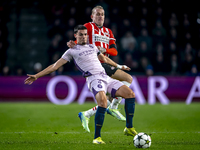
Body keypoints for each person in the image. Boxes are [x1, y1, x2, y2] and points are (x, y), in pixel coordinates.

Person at [24, 25, 137, 144]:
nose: (83, 37)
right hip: (94, 79)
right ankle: (97, 138)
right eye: (81, 35)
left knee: (130, 94)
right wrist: (37, 75)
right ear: (75, 36)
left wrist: (119, 66)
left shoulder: (92, 46)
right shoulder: (71, 51)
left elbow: (104, 59)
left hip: (105, 76)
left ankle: (129, 128)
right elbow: (54, 66)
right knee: (103, 102)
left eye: (85, 34)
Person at [67, 5, 135, 133]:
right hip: (95, 63)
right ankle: (114, 106)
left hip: (105, 64)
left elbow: (114, 51)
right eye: (97, 14)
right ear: (92, 16)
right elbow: (79, 38)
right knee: (127, 78)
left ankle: (86, 114)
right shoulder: (88, 26)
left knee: (105, 101)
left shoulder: (108, 32)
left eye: (102, 14)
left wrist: (105, 50)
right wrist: (72, 43)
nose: (100, 16)